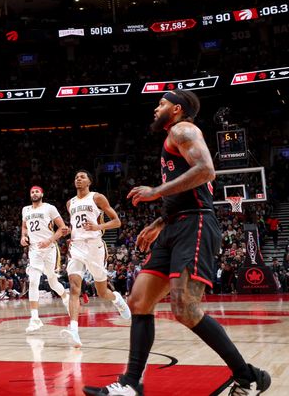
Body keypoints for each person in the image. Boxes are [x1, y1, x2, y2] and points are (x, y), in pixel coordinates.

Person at [84, 91, 270, 396]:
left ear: (177, 108)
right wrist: (159, 222)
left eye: (161, 104)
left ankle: (247, 376)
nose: (156, 108)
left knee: (185, 308)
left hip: (195, 224)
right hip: (175, 225)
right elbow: (185, 188)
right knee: (139, 302)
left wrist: (156, 191)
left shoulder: (183, 130)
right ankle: (131, 384)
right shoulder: (173, 138)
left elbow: (206, 170)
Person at [61, 170, 130, 347]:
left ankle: (116, 299)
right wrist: (70, 233)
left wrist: (97, 226)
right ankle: (74, 331)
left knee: (102, 292)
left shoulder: (97, 198)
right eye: (76, 177)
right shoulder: (70, 203)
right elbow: (74, 224)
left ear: (89, 182)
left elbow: (117, 222)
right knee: (74, 288)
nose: (78, 179)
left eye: (82, 177)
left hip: (95, 246)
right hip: (76, 246)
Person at [21, 185, 71, 333]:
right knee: (33, 282)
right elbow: (24, 227)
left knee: (52, 282)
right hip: (34, 250)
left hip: (49, 249)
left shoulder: (50, 208)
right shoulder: (25, 210)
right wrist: (23, 237)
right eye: (32, 192)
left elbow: (63, 228)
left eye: (37, 191)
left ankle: (65, 296)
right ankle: (35, 319)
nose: (34, 193)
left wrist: (49, 241)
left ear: (42, 193)